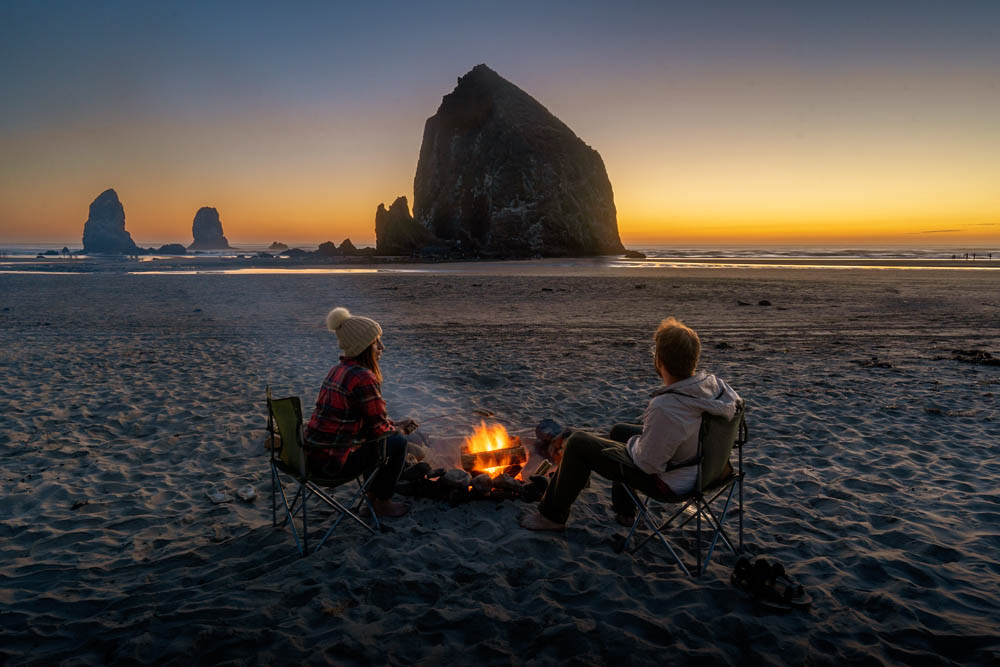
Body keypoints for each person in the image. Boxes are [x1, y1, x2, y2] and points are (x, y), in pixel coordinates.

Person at [521, 317, 741, 531]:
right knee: (619, 431)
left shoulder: (667, 406)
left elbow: (648, 464)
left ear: (659, 361)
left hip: (673, 482)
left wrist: (633, 445)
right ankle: (625, 511)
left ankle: (552, 516)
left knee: (578, 443)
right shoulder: (715, 388)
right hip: (705, 465)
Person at [304, 307, 417, 517]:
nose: (382, 347)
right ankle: (382, 502)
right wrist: (399, 431)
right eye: (376, 342)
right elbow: (379, 430)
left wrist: (396, 424)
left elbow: (367, 421)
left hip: (312, 455)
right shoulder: (363, 377)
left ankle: (372, 500)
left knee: (380, 439)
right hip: (333, 463)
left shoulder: (338, 370)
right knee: (397, 443)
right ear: (364, 347)